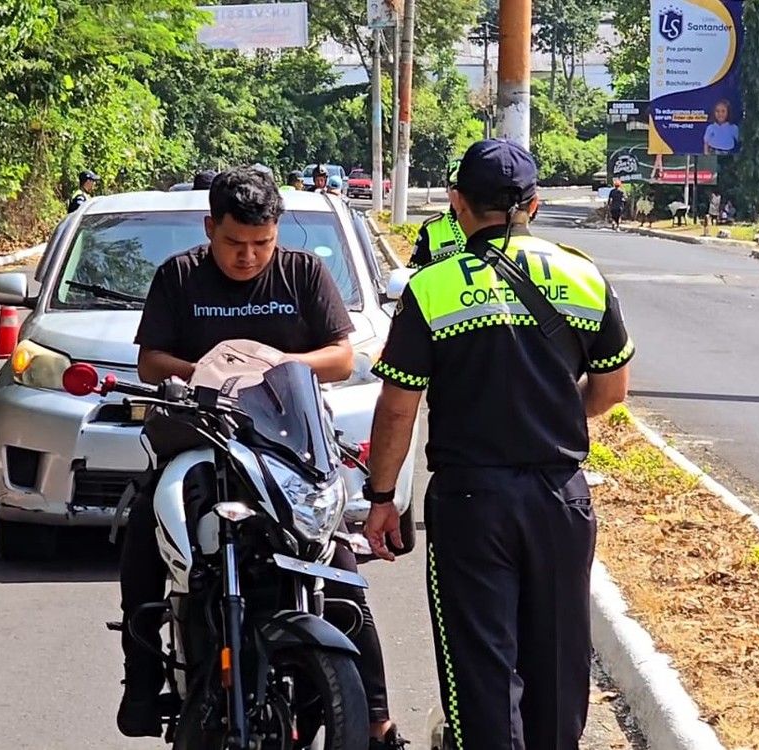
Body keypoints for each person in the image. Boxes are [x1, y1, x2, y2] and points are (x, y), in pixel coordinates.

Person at [118, 166, 408, 750]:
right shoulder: (179, 276)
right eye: (233, 243)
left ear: (276, 233)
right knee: (143, 535)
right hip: (202, 443)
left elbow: (342, 357)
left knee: (340, 572)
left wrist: (277, 364)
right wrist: (205, 375)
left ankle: (376, 720)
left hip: (286, 449)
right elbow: (151, 361)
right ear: (209, 229)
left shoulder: (305, 272)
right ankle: (144, 685)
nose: (248, 257)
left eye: (261, 244)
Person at [362, 138, 634, 750]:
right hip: (561, 499)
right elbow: (612, 388)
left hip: (470, 501)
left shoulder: (431, 290)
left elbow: (398, 407)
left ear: (457, 203)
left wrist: (382, 497)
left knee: (480, 673)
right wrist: (556, 413)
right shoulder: (582, 274)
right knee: (560, 665)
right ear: (533, 204)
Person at [407, 159, 466, 269]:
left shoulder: (494, 223)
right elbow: (413, 272)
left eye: (466, 187)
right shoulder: (432, 229)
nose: (459, 194)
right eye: (455, 187)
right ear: (447, 189)